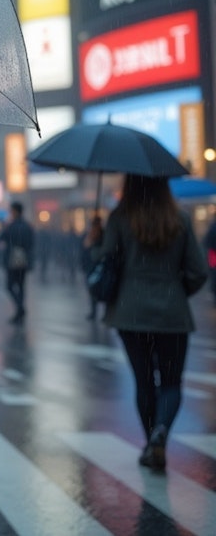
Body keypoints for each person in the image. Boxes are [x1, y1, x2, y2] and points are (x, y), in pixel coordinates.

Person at [100, 174, 207, 473]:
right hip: (173, 315)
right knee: (171, 383)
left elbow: (106, 263)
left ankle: (151, 442)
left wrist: (95, 241)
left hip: (131, 314)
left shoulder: (120, 218)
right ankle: (161, 432)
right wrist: (175, 292)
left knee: (145, 382)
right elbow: (198, 271)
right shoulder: (180, 220)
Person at [0, 201, 35, 324]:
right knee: (21, 286)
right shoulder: (27, 226)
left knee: (9, 286)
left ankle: (20, 309)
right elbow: (31, 243)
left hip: (12, 260)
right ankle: (20, 310)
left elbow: (1, 237)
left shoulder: (11, 226)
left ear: (15, 211)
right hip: (24, 260)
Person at [81, 215, 105, 320]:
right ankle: (94, 310)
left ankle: (97, 311)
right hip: (91, 265)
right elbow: (84, 251)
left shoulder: (102, 235)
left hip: (99, 265)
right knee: (91, 288)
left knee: (100, 287)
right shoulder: (89, 235)